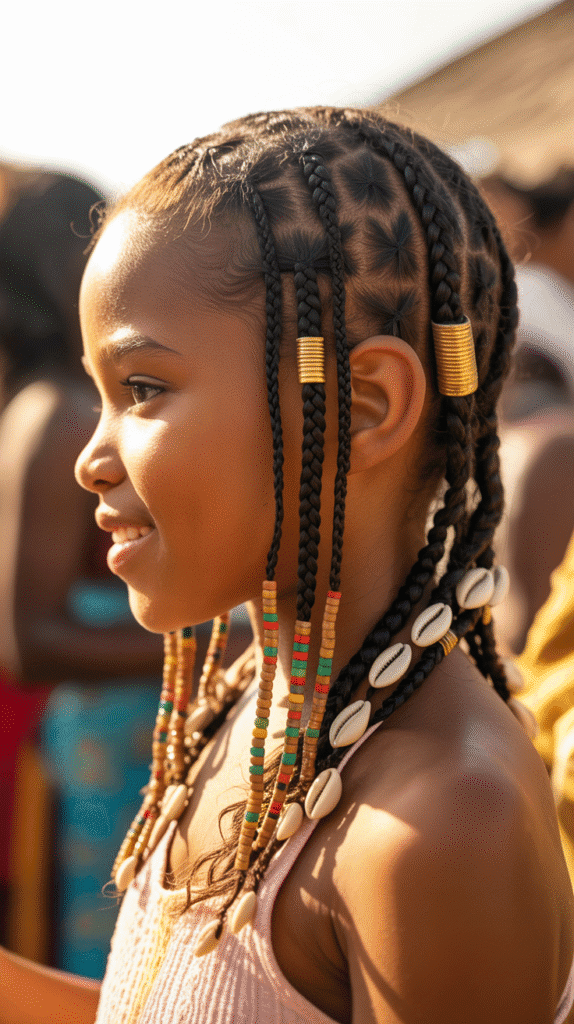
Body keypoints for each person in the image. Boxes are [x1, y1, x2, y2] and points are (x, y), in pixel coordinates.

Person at [1, 107, 573, 1024]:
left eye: (141, 388)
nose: (90, 458)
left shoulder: (441, 820)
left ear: (365, 403)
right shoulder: (251, 698)